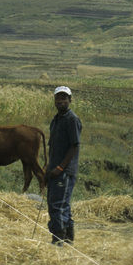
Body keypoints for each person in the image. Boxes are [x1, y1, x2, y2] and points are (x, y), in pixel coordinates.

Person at [46, 86, 81, 246]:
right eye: (58, 98)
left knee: (57, 205)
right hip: (54, 169)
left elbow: (74, 146)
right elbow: (53, 146)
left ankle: (58, 240)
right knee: (62, 204)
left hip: (64, 171)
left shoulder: (71, 119)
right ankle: (68, 239)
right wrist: (49, 167)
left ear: (70, 100)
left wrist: (60, 168)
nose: (60, 101)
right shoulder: (56, 119)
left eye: (64, 98)